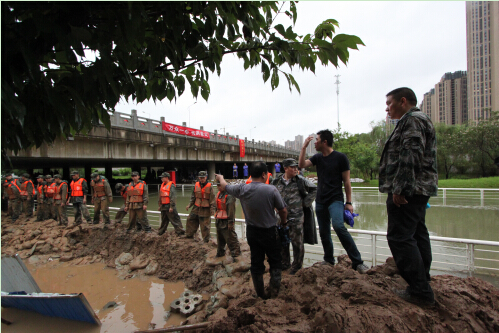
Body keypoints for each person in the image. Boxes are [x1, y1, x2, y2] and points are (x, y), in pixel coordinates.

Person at [380, 87, 438, 306]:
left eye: (389, 103)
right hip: (417, 189)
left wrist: (400, 188)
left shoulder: (412, 120)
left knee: (400, 237)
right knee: (417, 233)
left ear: (402, 101)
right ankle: (423, 282)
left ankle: (420, 291)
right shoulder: (417, 119)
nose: (387, 108)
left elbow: (411, 154)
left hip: (409, 190)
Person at [299, 130, 369, 274]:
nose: (315, 142)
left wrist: (348, 202)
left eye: (317, 140)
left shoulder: (340, 158)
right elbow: (301, 164)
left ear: (325, 142)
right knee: (324, 232)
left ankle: (358, 262)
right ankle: (329, 260)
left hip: (335, 199)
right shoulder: (318, 158)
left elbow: (347, 181)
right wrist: (304, 147)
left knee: (338, 226)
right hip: (320, 201)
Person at [216, 162, 287, 299]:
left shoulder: (242, 189)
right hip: (270, 232)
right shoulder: (271, 190)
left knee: (256, 262)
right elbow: (282, 210)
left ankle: (260, 294)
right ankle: (274, 292)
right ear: (264, 174)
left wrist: (221, 178)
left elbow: (225, 186)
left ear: (250, 174)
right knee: (275, 261)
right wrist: (284, 223)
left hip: (252, 232)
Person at [272, 158, 317, 275]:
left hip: (296, 217)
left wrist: (304, 203)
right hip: (281, 218)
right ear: (285, 168)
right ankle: (285, 263)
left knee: (297, 243)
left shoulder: (300, 180)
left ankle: (297, 266)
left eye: (296, 167)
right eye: (293, 167)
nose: (295, 169)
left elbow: (314, 189)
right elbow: (271, 194)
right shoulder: (276, 182)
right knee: (282, 242)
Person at [185, 171, 215, 242]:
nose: (202, 179)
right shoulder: (196, 185)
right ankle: (189, 235)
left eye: (203, 178)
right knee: (190, 219)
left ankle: (206, 240)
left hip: (205, 208)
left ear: (206, 177)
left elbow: (212, 199)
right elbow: (193, 197)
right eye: (200, 178)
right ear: (199, 178)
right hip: (196, 207)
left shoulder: (210, 186)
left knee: (205, 225)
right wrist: (189, 205)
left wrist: (212, 209)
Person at [214, 185, 241, 258]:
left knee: (231, 238)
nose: (219, 187)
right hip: (219, 219)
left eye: (220, 186)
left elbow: (231, 210)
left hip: (226, 220)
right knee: (220, 238)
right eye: (218, 186)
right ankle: (220, 253)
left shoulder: (229, 196)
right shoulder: (219, 194)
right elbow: (215, 206)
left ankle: (236, 254)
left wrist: (230, 222)